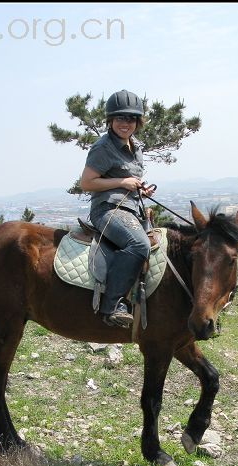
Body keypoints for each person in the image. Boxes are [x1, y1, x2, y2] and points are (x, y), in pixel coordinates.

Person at [80, 89, 155, 328]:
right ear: (111, 120)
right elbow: (87, 183)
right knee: (139, 244)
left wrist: (139, 188)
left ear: (138, 122)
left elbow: (128, 179)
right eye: (120, 118)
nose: (126, 123)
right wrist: (122, 183)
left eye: (131, 118)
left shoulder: (135, 147)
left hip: (131, 208)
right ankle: (112, 305)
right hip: (107, 210)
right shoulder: (103, 147)